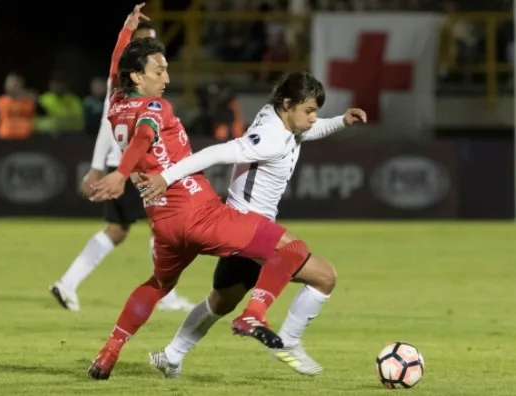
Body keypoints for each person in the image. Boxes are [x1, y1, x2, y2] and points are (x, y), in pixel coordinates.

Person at [87, 4, 312, 380]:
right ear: (138, 77)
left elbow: (114, 72)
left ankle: (109, 352)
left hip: (162, 223)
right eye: (159, 70)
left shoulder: (115, 103)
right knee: (293, 250)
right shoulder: (155, 106)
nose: (167, 78)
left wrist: (125, 30)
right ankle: (253, 314)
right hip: (200, 213)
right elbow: (144, 134)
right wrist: (121, 174)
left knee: (159, 283)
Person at [138, 72, 366, 378]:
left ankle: (170, 355)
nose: (314, 118)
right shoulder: (270, 138)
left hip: (248, 226)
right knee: (322, 274)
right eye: (309, 110)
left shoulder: (282, 120)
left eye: (316, 112)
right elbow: (215, 153)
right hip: (246, 225)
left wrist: (341, 121)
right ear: (287, 104)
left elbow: (304, 131)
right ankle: (281, 335)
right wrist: (166, 178)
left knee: (219, 302)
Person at [49, 19, 193, 312]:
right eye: (147, 43)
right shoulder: (134, 93)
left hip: (126, 165)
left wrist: (126, 26)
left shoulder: (118, 86)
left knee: (120, 230)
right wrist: (100, 167)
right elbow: (114, 127)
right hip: (134, 167)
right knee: (162, 228)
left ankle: (68, 283)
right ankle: (166, 296)